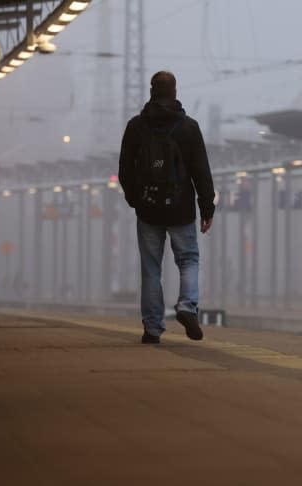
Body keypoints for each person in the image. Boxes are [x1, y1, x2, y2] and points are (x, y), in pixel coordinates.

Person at [118, 71, 215, 344]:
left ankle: (152, 329)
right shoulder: (188, 127)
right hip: (181, 208)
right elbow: (201, 172)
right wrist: (207, 208)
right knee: (188, 260)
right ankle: (186, 306)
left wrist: (136, 200)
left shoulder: (136, 127)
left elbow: (124, 170)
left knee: (151, 269)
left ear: (151, 91)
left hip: (148, 210)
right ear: (174, 92)